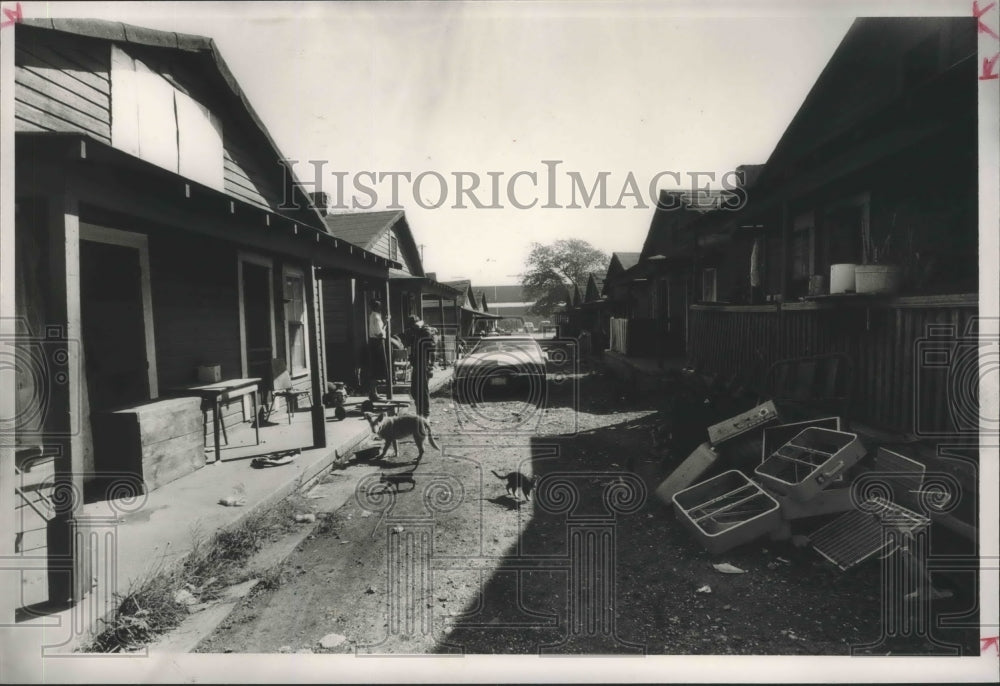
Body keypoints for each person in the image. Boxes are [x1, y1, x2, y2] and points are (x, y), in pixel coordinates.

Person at [403, 314, 435, 417]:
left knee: (422, 390)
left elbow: (431, 349)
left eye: (412, 327)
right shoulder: (415, 333)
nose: (411, 329)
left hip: (424, 363)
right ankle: (420, 411)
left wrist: (430, 366)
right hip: (417, 363)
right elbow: (410, 344)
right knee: (414, 390)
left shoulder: (425, 332)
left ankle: (424, 413)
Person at [367, 300, 390, 401]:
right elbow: (380, 333)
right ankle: (373, 393)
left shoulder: (373, 315)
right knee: (376, 368)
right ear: (377, 307)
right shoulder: (376, 317)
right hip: (377, 342)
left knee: (375, 368)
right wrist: (386, 323)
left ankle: (374, 392)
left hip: (375, 342)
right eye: (380, 307)